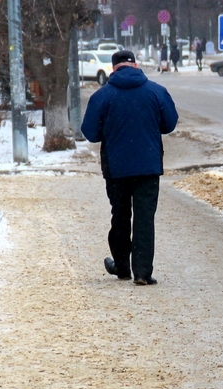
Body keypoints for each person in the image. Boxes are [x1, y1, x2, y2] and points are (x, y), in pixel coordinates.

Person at [81, 50, 179, 286]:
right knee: (145, 217)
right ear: (135, 65)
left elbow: (90, 133)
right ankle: (143, 272)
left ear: (113, 68)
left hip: (116, 167)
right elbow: (169, 124)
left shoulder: (102, 96)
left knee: (120, 214)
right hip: (148, 165)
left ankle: (122, 266)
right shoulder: (156, 91)